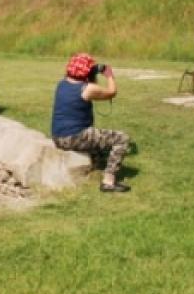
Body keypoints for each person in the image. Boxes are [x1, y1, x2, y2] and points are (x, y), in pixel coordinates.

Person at [50, 53, 133, 192]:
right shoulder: (87, 89)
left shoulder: (62, 83)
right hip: (75, 137)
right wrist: (109, 75)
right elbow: (112, 92)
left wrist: (90, 73)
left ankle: (94, 164)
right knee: (122, 139)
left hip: (58, 136)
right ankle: (108, 181)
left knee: (99, 143)